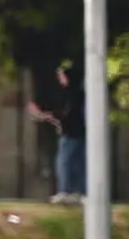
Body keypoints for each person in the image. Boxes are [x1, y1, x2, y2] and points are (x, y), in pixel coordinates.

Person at [29, 64, 86, 204]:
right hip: (78, 133)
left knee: (64, 162)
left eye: (61, 75)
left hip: (70, 134)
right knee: (77, 163)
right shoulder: (79, 94)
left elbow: (65, 115)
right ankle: (77, 192)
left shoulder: (71, 95)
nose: (60, 79)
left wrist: (41, 115)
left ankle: (65, 191)